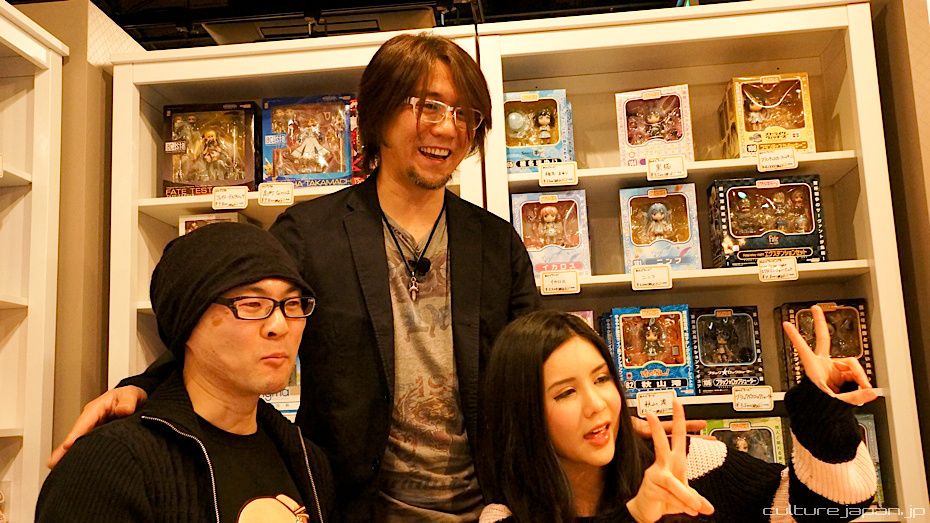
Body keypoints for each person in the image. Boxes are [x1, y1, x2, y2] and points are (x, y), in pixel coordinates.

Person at [50, 33, 541, 521]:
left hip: (486, 509)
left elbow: (539, 358)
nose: (449, 128)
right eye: (429, 107)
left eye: (465, 114)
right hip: (349, 508)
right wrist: (143, 385)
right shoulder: (311, 233)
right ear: (379, 112)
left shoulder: (495, 243)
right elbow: (227, 314)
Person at [36, 222, 334, 522]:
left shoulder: (306, 461)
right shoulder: (111, 463)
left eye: (292, 304)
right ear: (188, 322)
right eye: (252, 304)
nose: (280, 326)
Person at [478, 308, 877, 522]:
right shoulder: (504, 515)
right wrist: (636, 515)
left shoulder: (687, 461)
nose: (596, 404)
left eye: (601, 379)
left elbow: (824, 510)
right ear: (524, 413)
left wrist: (822, 410)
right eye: (566, 392)